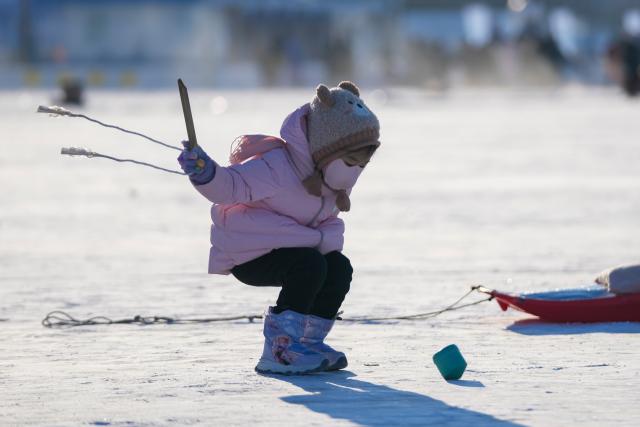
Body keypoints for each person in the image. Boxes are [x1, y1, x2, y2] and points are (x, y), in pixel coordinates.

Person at [177, 81, 380, 375]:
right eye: (350, 162)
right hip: (249, 254)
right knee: (310, 265)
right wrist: (206, 174)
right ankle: (279, 350)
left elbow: (322, 226)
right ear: (325, 148)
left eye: (361, 166)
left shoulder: (327, 183)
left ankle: (307, 343)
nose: (354, 173)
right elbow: (232, 186)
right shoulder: (276, 166)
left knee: (337, 267)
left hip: (290, 250)